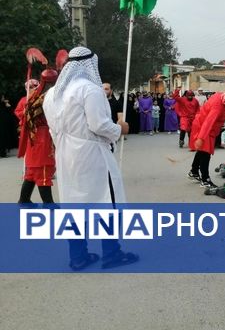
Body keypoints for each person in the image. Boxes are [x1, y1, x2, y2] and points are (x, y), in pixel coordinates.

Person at [43, 46, 137, 271]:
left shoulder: (52, 94)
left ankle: (78, 256)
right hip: (91, 154)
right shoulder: (89, 89)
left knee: (74, 204)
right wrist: (120, 128)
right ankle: (112, 253)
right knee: (105, 202)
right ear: (89, 65)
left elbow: (53, 130)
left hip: (65, 155)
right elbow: (99, 125)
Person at [15, 73, 58, 204]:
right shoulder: (35, 99)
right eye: (31, 86)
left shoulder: (39, 98)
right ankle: (49, 205)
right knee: (42, 171)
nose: (34, 88)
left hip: (35, 138)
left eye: (36, 86)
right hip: (41, 138)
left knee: (32, 173)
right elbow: (19, 113)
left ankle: (24, 199)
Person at [188, 89, 225, 187]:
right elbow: (208, 122)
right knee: (206, 154)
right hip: (205, 129)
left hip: (202, 124)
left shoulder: (220, 95)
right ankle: (205, 180)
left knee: (202, 151)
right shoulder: (217, 108)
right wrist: (201, 138)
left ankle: (194, 171)